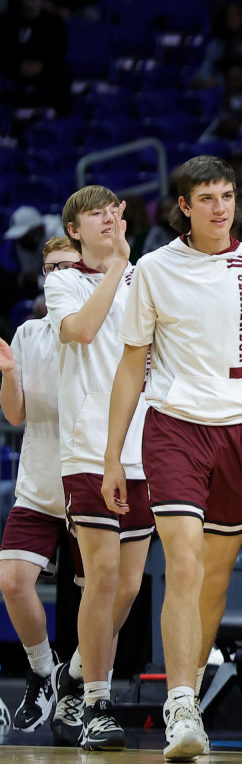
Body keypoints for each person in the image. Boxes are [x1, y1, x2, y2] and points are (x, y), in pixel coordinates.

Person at [103, 155, 242, 762]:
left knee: (214, 579)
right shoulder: (153, 270)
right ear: (184, 207)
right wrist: (113, 456)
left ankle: (189, 688)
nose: (221, 207)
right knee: (183, 564)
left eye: (228, 196)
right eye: (207, 198)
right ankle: (182, 702)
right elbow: (132, 364)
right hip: (173, 428)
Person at [44, 188, 156, 752]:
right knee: (103, 575)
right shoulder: (63, 280)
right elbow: (83, 330)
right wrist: (116, 267)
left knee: (130, 586)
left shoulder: (146, 278)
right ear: (74, 229)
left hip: (144, 448)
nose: (110, 218)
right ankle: (96, 701)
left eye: (116, 211)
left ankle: (74, 674)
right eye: (97, 214)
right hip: (89, 449)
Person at [0, 237, 76, 732]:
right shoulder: (28, 333)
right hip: (40, 482)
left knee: (104, 596)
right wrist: (8, 373)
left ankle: (82, 688)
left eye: (69, 266)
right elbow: (15, 413)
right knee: (11, 581)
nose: (58, 275)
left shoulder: (108, 330)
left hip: (95, 481)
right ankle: (44, 673)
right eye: (51, 267)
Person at [0, 0, 71, 113]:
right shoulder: (6, 22)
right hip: (15, 70)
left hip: (45, 70)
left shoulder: (54, 22)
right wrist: (18, 65)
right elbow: (3, 51)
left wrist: (42, 64)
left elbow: (59, 49)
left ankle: (60, 119)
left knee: (63, 71)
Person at [191, 1, 242, 89]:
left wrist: (220, 81)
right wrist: (201, 80)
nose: (234, 19)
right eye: (229, 16)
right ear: (223, 20)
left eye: (238, 15)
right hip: (214, 87)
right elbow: (206, 67)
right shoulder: (216, 44)